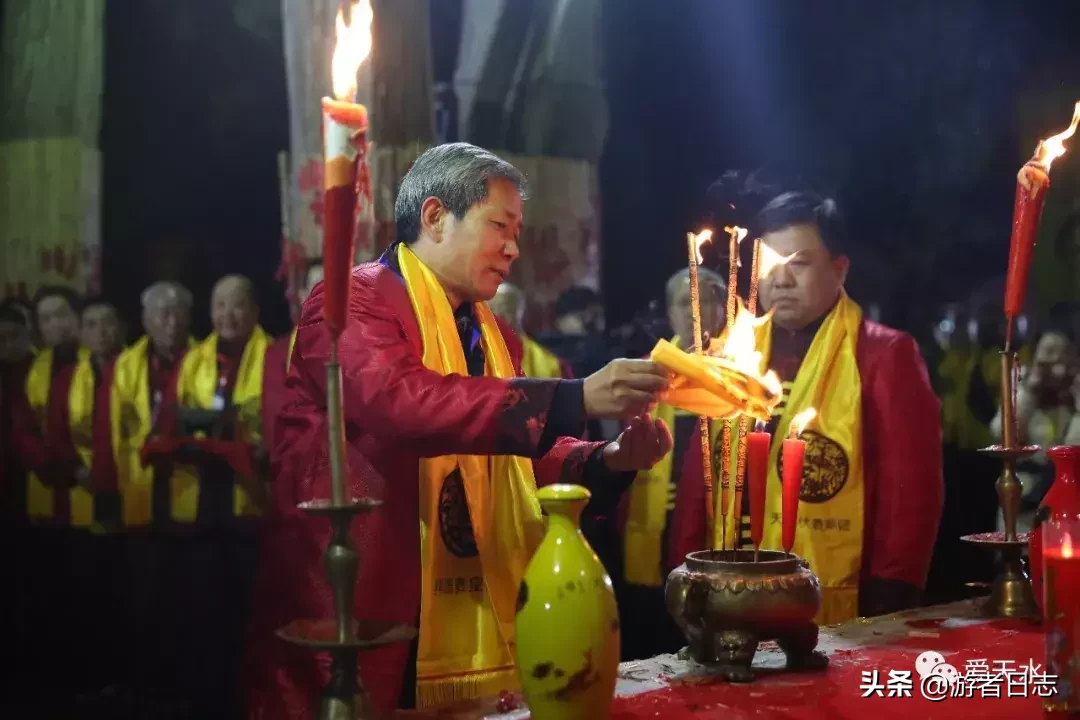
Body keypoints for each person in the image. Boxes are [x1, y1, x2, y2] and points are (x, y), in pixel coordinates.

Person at [247, 142, 673, 716]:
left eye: (517, 230)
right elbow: (398, 402)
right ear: (434, 217)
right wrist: (573, 398)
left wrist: (612, 457)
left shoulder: (496, 334)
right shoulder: (353, 301)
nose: (514, 247)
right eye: (499, 225)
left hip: (471, 598)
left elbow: (516, 462)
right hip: (368, 597)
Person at [677, 191, 943, 624]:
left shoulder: (880, 354)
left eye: (798, 263)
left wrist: (892, 593)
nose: (780, 281)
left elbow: (910, 492)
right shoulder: (732, 352)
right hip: (727, 580)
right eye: (767, 266)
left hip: (834, 593)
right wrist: (685, 565)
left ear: (839, 270)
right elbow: (699, 476)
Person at [159, 274, 269, 718]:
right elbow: (170, 417)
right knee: (202, 610)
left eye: (237, 304)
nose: (228, 314)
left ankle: (252, 701)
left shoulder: (273, 354)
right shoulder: (194, 360)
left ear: (255, 311)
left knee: (249, 613)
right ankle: (207, 701)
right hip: (202, 500)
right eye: (219, 305)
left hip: (250, 502)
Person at [619, 266, 726, 661]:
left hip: (717, 531)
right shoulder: (648, 373)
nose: (698, 310)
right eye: (686, 302)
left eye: (710, 298)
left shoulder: (739, 370)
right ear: (670, 313)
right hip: (658, 529)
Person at [108, 281, 196, 709]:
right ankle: (148, 691)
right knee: (144, 599)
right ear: (144, 319)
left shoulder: (204, 358)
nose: (171, 319)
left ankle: (187, 689)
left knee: (190, 600)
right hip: (142, 495)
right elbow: (114, 436)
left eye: (178, 311)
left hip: (192, 498)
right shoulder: (126, 365)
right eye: (161, 312)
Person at [990, 329, 1080, 533]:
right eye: (1049, 351)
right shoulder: (1020, 383)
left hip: (1068, 506)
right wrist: (1030, 391)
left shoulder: (1074, 394)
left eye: (1064, 351)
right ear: (1035, 354)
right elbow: (1001, 435)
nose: (1056, 358)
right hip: (1024, 504)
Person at [488, 281, 573, 379]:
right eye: (494, 308)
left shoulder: (552, 365)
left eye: (506, 308)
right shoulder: (474, 355)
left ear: (519, 314)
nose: (501, 314)